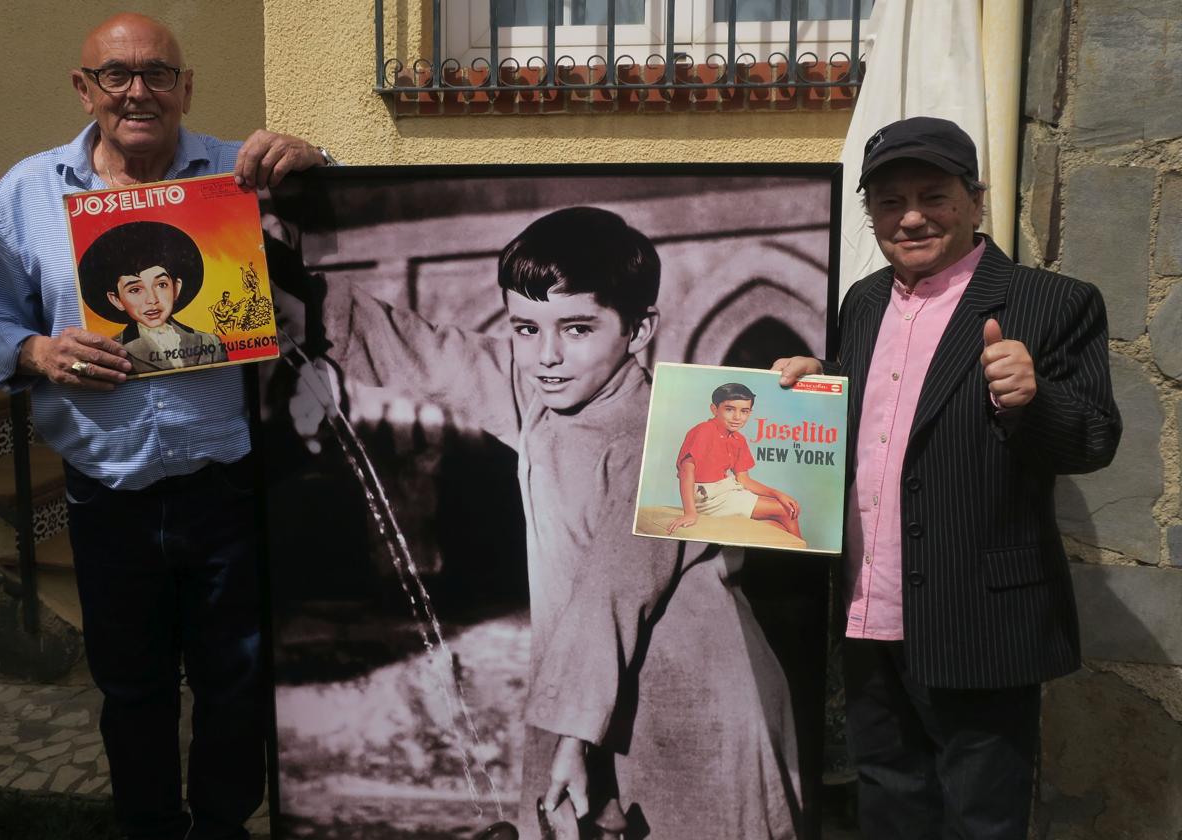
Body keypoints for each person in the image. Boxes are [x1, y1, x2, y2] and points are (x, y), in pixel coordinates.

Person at [307, 206, 801, 838]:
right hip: (585, 686)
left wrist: (570, 738)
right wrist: (297, 290)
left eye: (576, 328)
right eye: (524, 327)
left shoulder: (671, 429)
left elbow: (612, 590)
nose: (546, 356)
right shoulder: (543, 394)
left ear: (639, 329)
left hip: (691, 695)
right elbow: (428, 352)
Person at [0, 12, 328, 840]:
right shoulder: (26, 192)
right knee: (131, 686)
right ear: (84, 87)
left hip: (227, 481)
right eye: (117, 74)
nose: (139, 91)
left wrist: (316, 163)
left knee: (236, 681)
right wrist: (32, 352)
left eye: (158, 74)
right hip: (107, 490)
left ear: (185, 86)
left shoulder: (239, 174)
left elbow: (347, 222)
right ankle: (147, 826)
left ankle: (221, 825)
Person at [773, 116, 1122, 839]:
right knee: (888, 797)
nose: (910, 217)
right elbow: (882, 410)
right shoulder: (863, 302)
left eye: (933, 195)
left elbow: (1094, 438)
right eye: (888, 201)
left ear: (974, 200)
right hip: (871, 611)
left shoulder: (1055, 302)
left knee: (980, 817)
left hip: (980, 616)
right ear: (869, 213)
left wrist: (1034, 399)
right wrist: (819, 384)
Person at [78, 220, 228, 374]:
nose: (152, 299)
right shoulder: (109, 350)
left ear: (176, 288)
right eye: (135, 290)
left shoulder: (209, 342)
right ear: (116, 300)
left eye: (161, 285)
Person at [667, 381, 803, 538]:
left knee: (779, 527)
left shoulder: (739, 439)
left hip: (727, 491)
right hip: (707, 498)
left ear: (750, 413)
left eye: (744, 411)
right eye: (729, 409)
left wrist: (778, 494)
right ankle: (804, 551)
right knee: (785, 510)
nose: (737, 417)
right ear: (714, 409)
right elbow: (686, 472)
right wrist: (690, 513)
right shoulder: (704, 431)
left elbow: (744, 480)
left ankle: (796, 546)